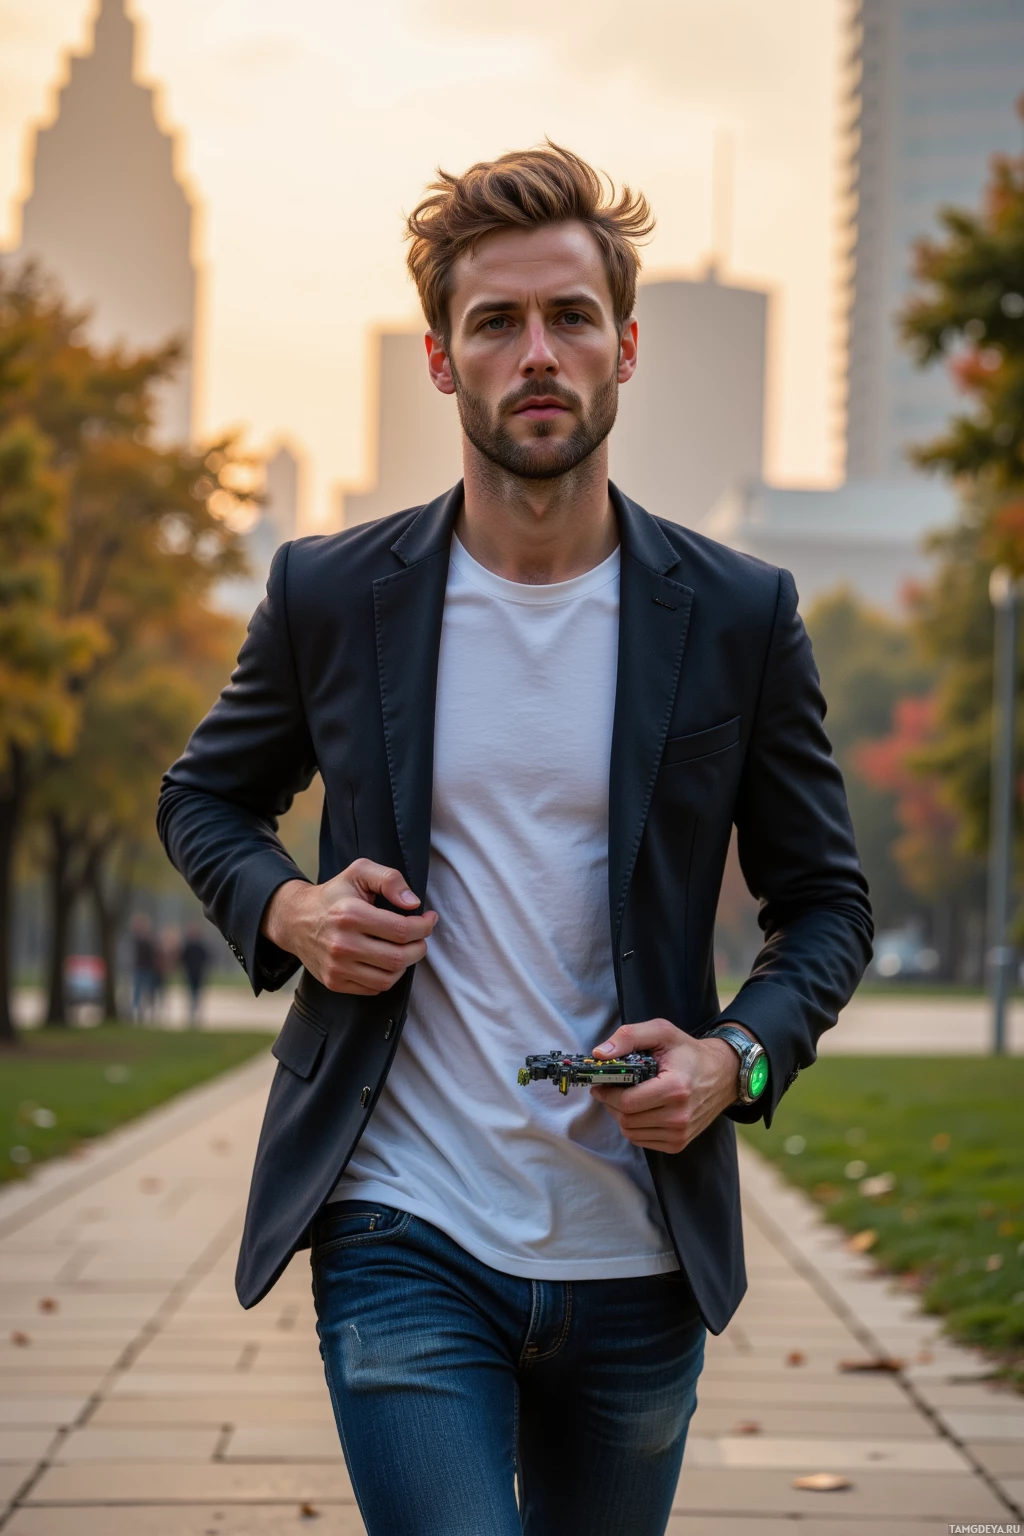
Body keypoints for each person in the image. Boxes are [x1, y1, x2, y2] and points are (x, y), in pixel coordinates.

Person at [158, 144, 872, 1536]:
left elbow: (827, 904)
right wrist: (293, 913)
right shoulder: (330, 593)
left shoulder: (737, 615)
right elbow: (204, 800)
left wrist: (735, 1058)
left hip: (641, 1249)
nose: (535, 353)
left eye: (569, 318)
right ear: (441, 358)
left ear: (625, 345)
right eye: (495, 323)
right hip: (401, 1222)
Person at [180, 922, 211, 1027]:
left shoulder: (200, 946)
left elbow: (206, 958)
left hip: (198, 973)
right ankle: (191, 1016)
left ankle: (196, 1016)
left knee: (197, 996)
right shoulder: (187, 946)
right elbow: (182, 959)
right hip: (190, 974)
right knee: (191, 995)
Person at [129, 913, 156, 1025]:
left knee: (147, 992)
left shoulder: (149, 939)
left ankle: (148, 1013)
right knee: (138, 992)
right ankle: (137, 1013)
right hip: (139, 968)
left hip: (147, 969)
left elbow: (153, 954)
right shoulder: (135, 939)